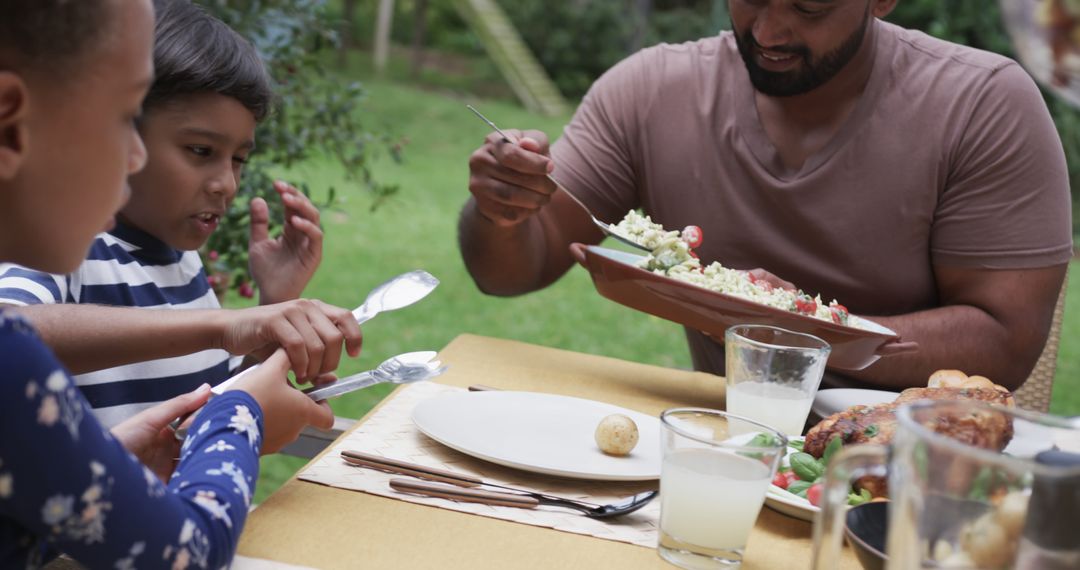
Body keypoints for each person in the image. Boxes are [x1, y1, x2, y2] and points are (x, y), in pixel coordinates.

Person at [459, 0, 1073, 391]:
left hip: (906, 467)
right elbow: (513, 270)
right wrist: (503, 208)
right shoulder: (652, 93)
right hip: (722, 443)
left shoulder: (980, 104)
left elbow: (1005, 342)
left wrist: (807, 329)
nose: (771, 29)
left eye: (809, 6)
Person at [0, 0, 333, 566]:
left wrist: (270, 320)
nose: (131, 157)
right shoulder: (48, 264)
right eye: (120, 117)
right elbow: (187, 556)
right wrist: (240, 412)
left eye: (238, 160)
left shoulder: (180, 262)